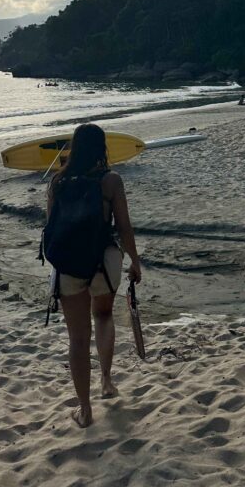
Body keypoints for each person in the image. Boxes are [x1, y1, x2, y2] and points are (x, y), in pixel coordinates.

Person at [46, 123, 142, 428]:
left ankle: (85, 410)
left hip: (69, 265)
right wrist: (135, 262)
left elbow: (51, 228)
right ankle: (106, 380)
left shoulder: (57, 182)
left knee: (77, 338)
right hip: (104, 259)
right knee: (102, 317)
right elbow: (124, 227)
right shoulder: (111, 181)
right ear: (102, 148)